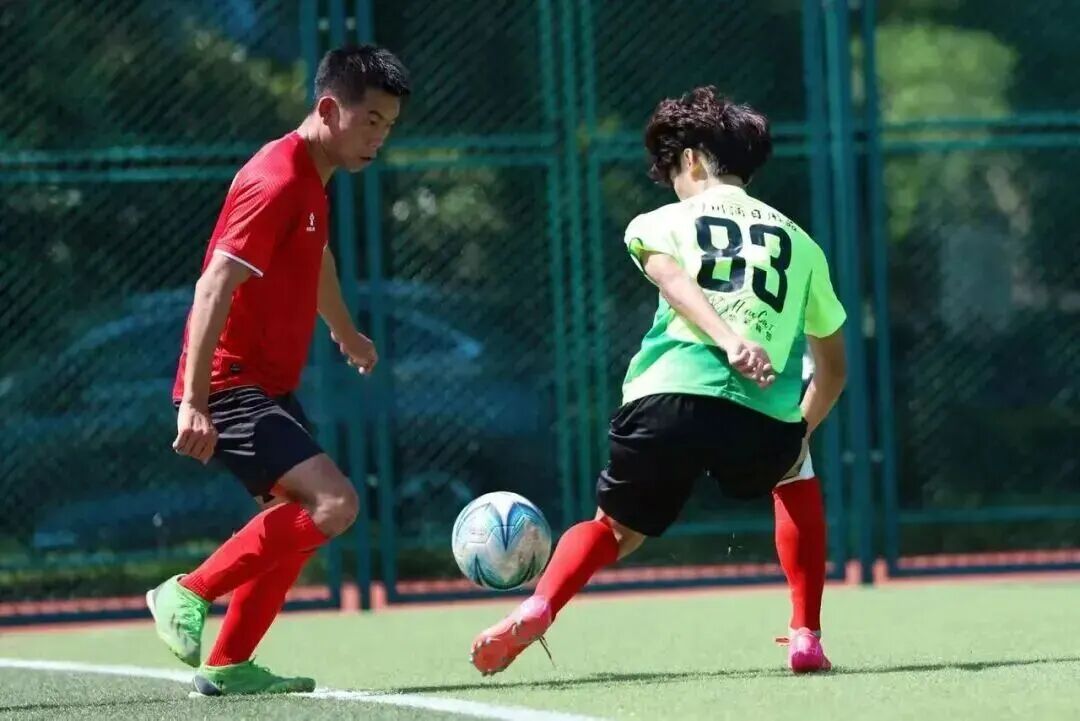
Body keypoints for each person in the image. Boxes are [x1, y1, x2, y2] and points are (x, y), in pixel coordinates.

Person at [469, 85, 847, 676]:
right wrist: (799, 429)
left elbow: (672, 280)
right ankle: (806, 634)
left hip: (666, 397)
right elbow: (834, 368)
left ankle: (541, 605)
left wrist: (726, 340)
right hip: (761, 417)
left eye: (672, 172)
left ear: (691, 160)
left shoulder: (660, 221)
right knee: (795, 469)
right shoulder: (803, 246)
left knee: (614, 528)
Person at [145, 44, 410, 696]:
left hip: (266, 385)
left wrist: (344, 331)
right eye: (370, 120)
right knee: (335, 504)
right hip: (231, 384)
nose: (379, 137)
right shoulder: (278, 180)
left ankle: (229, 663)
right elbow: (214, 285)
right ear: (330, 109)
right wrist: (195, 401)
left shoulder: (311, 179)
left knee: (297, 524)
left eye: (388, 125)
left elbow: (315, 259)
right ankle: (187, 591)